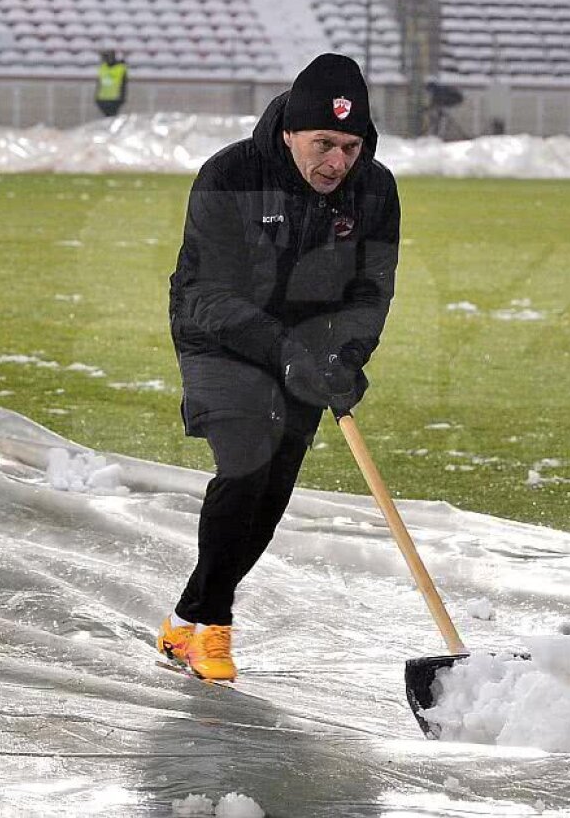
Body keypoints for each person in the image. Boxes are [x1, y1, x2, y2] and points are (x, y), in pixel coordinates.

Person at [157, 53, 401, 680]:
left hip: (309, 347)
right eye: (324, 143)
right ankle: (213, 627)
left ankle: (185, 618)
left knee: (272, 491)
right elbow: (208, 292)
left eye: (350, 146)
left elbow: (370, 291)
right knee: (246, 462)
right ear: (290, 131)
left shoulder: (375, 190)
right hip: (219, 335)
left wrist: (345, 355)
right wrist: (287, 350)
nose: (337, 162)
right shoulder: (230, 173)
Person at [94, 49, 128, 118]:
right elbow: (99, 83)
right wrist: (97, 97)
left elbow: (123, 84)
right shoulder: (103, 67)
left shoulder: (121, 68)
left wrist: (122, 97)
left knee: (111, 119)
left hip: (115, 99)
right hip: (102, 99)